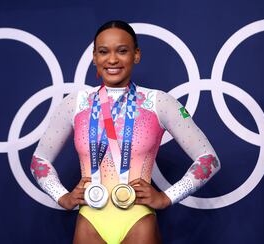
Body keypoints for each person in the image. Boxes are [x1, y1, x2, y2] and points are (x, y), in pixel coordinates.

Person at [31, 20, 221, 244]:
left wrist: (168, 197)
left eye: (122, 51)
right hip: (90, 222)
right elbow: (39, 161)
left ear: (136, 55)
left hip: (138, 221)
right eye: (103, 52)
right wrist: (62, 196)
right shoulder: (75, 103)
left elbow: (209, 160)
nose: (112, 60)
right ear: (94, 57)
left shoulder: (158, 102)